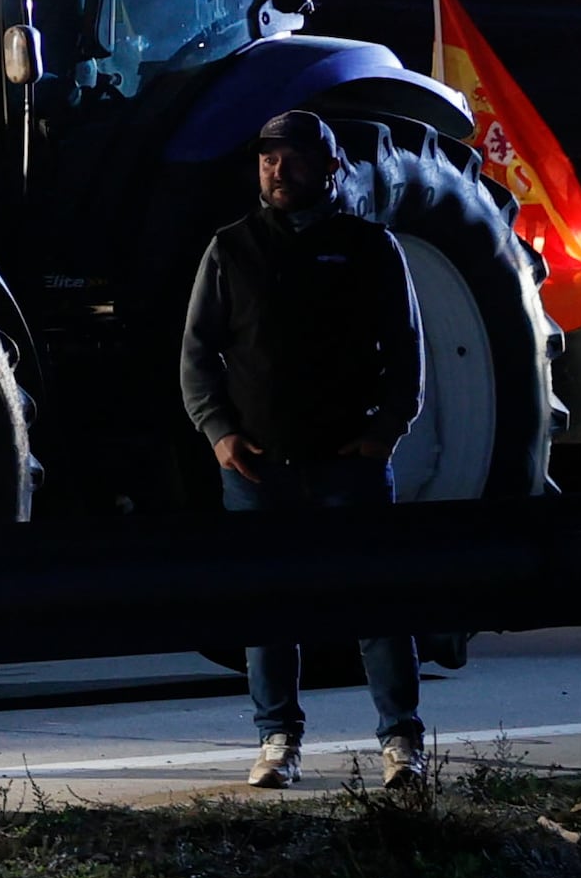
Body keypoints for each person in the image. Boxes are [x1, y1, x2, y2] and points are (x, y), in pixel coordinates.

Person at [178, 107, 429, 791]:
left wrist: (385, 431)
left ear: (329, 166)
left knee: (377, 604)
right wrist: (219, 431)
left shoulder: (370, 246)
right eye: (267, 157)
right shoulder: (231, 248)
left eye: (292, 156)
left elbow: (407, 350)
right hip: (259, 469)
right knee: (268, 607)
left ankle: (402, 741)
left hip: (349, 466)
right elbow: (197, 354)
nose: (277, 168)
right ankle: (277, 738)